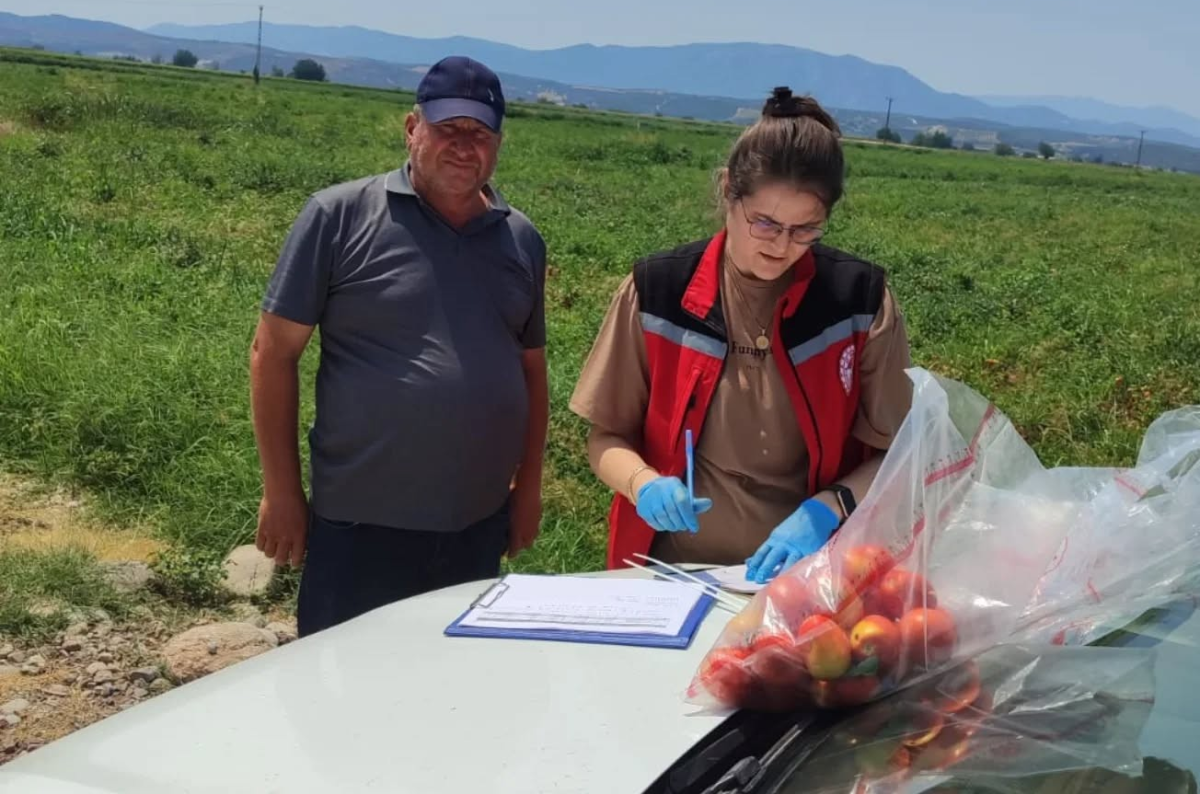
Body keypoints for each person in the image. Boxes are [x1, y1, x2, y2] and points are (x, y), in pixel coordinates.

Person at [250, 56, 548, 636]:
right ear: (412, 128)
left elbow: (531, 371)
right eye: (448, 128)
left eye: (480, 133)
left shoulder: (521, 239)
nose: (464, 146)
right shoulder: (338, 217)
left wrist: (528, 487)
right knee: (344, 678)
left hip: (476, 524)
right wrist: (281, 491)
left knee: (448, 679)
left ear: (498, 144)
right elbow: (272, 353)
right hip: (361, 525)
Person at [569, 87, 912, 584]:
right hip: (674, 573)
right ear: (729, 190)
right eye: (765, 224)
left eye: (805, 230)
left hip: (808, 580)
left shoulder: (859, 304)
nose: (782, 246)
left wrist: (828, 507)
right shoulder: (657, 293)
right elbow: (605, 437)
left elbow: (898, 453)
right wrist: (644, 485)